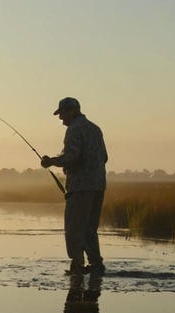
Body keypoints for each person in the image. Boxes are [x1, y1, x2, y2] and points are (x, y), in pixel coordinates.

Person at [41, 97, 108, 275]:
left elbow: (72, 156)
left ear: (72, 111)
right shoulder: (95, 129)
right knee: (89, 230)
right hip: (99, 187)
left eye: (62, 114)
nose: (61, 119)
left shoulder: (74, 129)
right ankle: (96, 265)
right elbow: (105, 157)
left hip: (80, 188)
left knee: (74, 230)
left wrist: (51, 161)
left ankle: (77, 266)